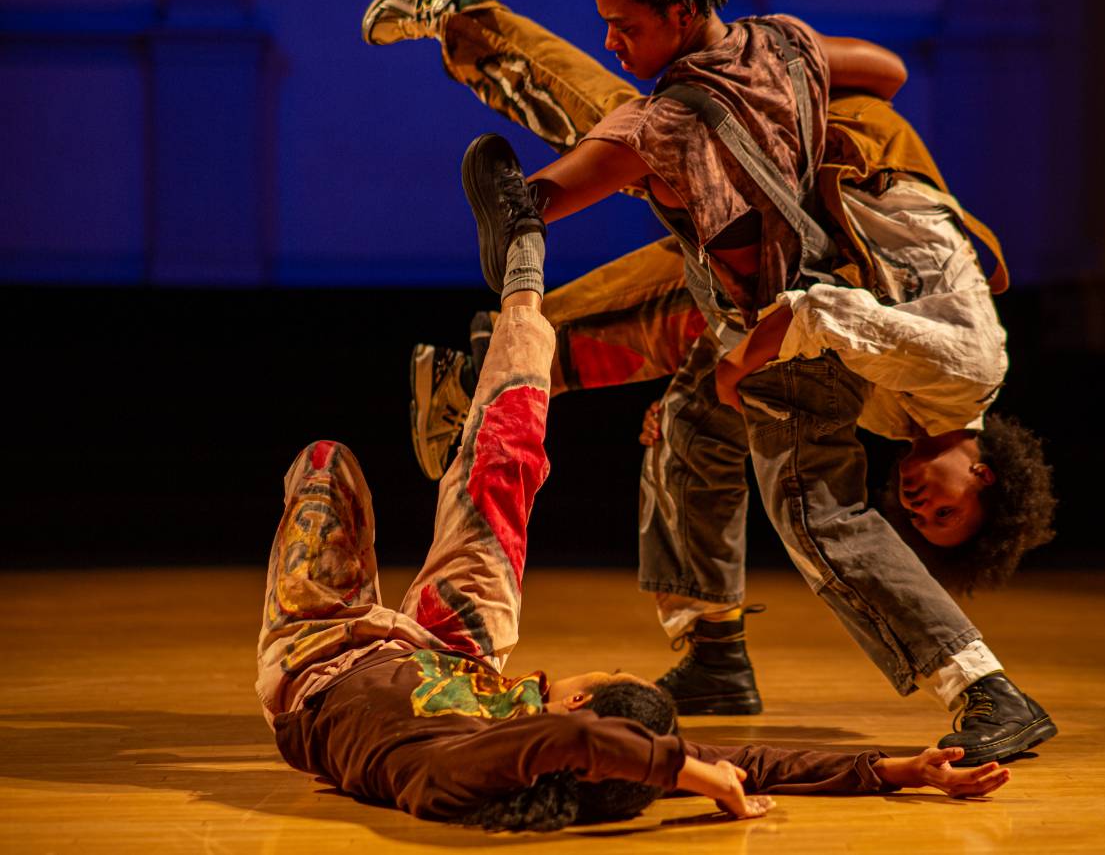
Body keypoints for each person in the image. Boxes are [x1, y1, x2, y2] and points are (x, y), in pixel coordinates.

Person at [361, 0, 1056, 766]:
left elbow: (886, 78)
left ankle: (714, 651)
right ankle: (986, 687)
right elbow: (836, 316)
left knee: (694, 417)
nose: (917, 505)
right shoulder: (971, 366)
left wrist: (710, 378)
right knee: (658, 141)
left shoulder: (895, 416)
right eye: (944, 509)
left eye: (922, 523)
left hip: (775, 247)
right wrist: (738, 359)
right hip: (818, 211)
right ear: (983, 469)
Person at [257, 136, 1012, 830]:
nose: (572, 674)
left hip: (318, 663)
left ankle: (506, 325)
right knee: (504, 471)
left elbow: (577, 740)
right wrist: (888, 769)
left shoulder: (446, 775)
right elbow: (748, 761)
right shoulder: (529, 725)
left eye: (604, 677)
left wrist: (683, 772)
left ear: (585, 710)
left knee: (327, 465)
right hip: (456, 654)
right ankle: (523, 272)